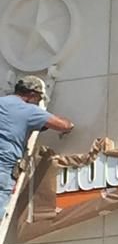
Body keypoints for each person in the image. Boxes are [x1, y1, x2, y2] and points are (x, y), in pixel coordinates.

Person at [0, 76, 73, 220]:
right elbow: (64, 125)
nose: (39, 103)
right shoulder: (29, 110)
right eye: (39, 99)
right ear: (32, 95)